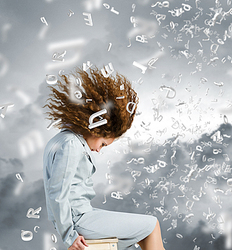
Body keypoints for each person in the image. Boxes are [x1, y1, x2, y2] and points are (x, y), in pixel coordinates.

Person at [42, 66, 165, 250]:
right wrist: (69, 235)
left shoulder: (59, 140)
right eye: (103, 144)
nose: (99, 150)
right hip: (79, 219)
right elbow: (57, 194)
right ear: (96, 129)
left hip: (81, 216)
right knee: (151, 225)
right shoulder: (71, 144)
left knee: (133, 242)